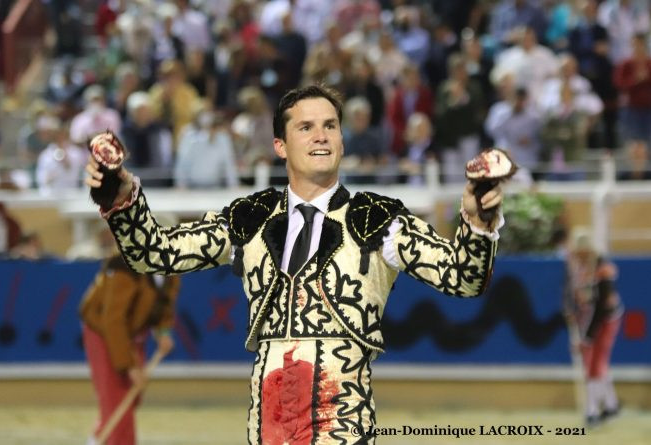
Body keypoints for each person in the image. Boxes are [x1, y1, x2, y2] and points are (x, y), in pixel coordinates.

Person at [85, 84, 504, 444]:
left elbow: (463, 278)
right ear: (280, 146)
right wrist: (119, 199)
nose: (321, 136)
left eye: (330, 126)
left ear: (342, 140)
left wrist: (478, 221)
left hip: (344, 422)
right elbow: (153, 253)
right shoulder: (248, 218)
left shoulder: (379, 219)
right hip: (270, 423)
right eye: (306, 127)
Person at [79, 251, 179, 445]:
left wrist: (163, 333)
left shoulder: (172, 271)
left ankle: (96, 440)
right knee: (117, 399)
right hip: (104, 332)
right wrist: (129, 366)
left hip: (132, 335)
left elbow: (164, 306)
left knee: (130, 397)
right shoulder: (123, 267)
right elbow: (113, 321)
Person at [564, 232, 623, 427]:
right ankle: (610, 405)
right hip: (588, 317)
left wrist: (587, 338)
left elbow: (601, 307)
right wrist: (573, 311)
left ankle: (593, 411)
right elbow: (573, 295)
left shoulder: (602, 268)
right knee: (595, 363)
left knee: (594, 363)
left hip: (606, 318)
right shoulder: (577, 267)